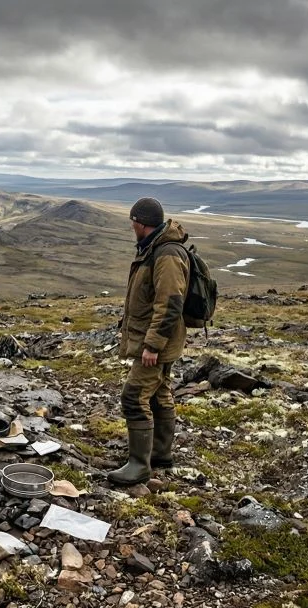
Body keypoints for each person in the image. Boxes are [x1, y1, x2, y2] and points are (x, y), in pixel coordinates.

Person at [108, 197, 190, 485]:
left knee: (133, 396)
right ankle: (160, 455)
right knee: (159, 393)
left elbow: (170, 303)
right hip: (160, 339)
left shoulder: (166, 254)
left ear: (140, 223)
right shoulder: (154, 248)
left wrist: (153, 345)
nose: (132, 227)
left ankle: (139, 466)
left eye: (133, 222)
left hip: (157, 342)